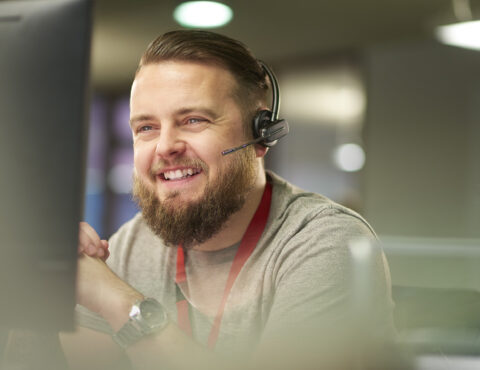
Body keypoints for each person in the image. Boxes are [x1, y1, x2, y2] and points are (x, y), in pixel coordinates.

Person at [60, 30, 395, 370]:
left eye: (193, 120)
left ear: (260, 134)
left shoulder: (325, 243)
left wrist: (121, 303)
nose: (165, 146)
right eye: (146, 128)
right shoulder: (134, 243)